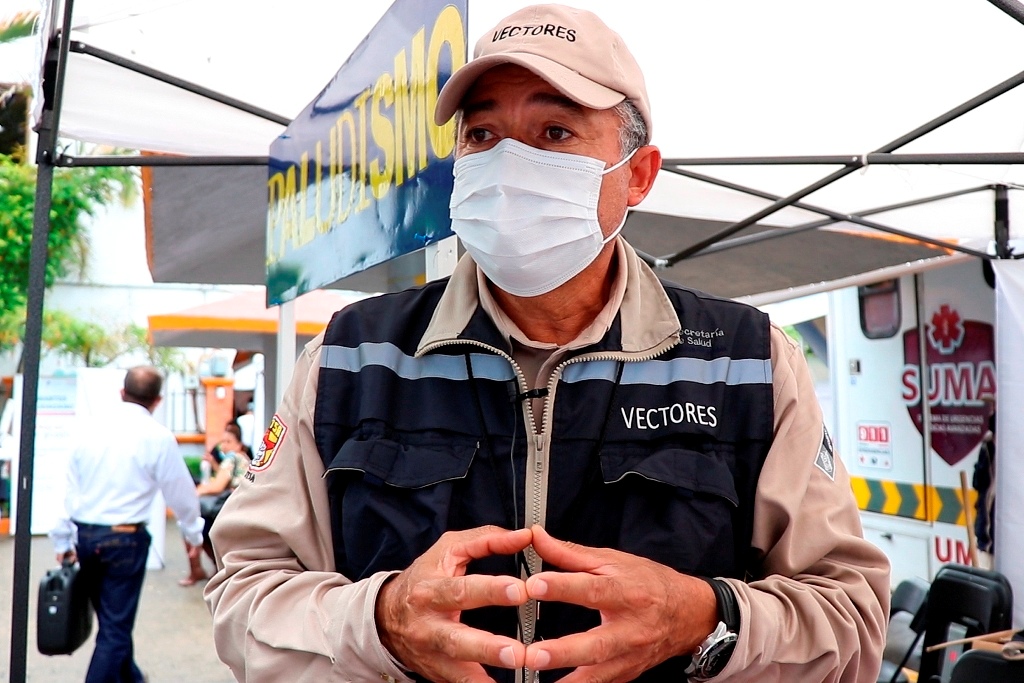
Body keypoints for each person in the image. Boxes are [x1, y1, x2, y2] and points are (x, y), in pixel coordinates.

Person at [205, 5, 890, 682]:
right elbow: (243, 593)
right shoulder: (350, 357)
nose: (509, 164)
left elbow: (851, 618)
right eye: (481, 134)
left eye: (554, 131)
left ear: (638, 174)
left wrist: (705, 618)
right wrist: (379, 622)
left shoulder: (747, 362)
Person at [50, 366, 204, 683]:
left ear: (122, 393)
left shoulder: (89, 430)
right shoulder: (158, 437)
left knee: (112, 622)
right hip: (125, 541)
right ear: (158, 400)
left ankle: (132, 678)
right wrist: (193, 535)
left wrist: (62, 541)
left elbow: (70, 491)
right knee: (115, 628)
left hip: (87, 537)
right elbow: (181, 493)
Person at [179, 422, 251, 586]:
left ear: (238, 444)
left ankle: (197, 570)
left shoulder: (232, 458)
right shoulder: (243, 458)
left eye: (228, 441)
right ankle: (215, 568)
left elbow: (217, 486)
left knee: (190, 525)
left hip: (229, 510)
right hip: (241, 509)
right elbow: (228, 479)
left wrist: (197, 491)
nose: (223, 445)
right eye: (223, 441)